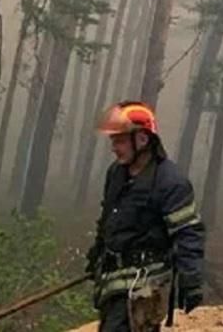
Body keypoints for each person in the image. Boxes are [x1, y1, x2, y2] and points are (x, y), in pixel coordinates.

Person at [86, 102, 206, 332]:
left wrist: (191, 280)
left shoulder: (170, 182)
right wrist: (98, 253)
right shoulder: (116, 173)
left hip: (145, 284)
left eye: (119, 140)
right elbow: (109, 218)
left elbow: (188, 232)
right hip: (113, 283)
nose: (113, 147)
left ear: (141, 139)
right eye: (113, 141)